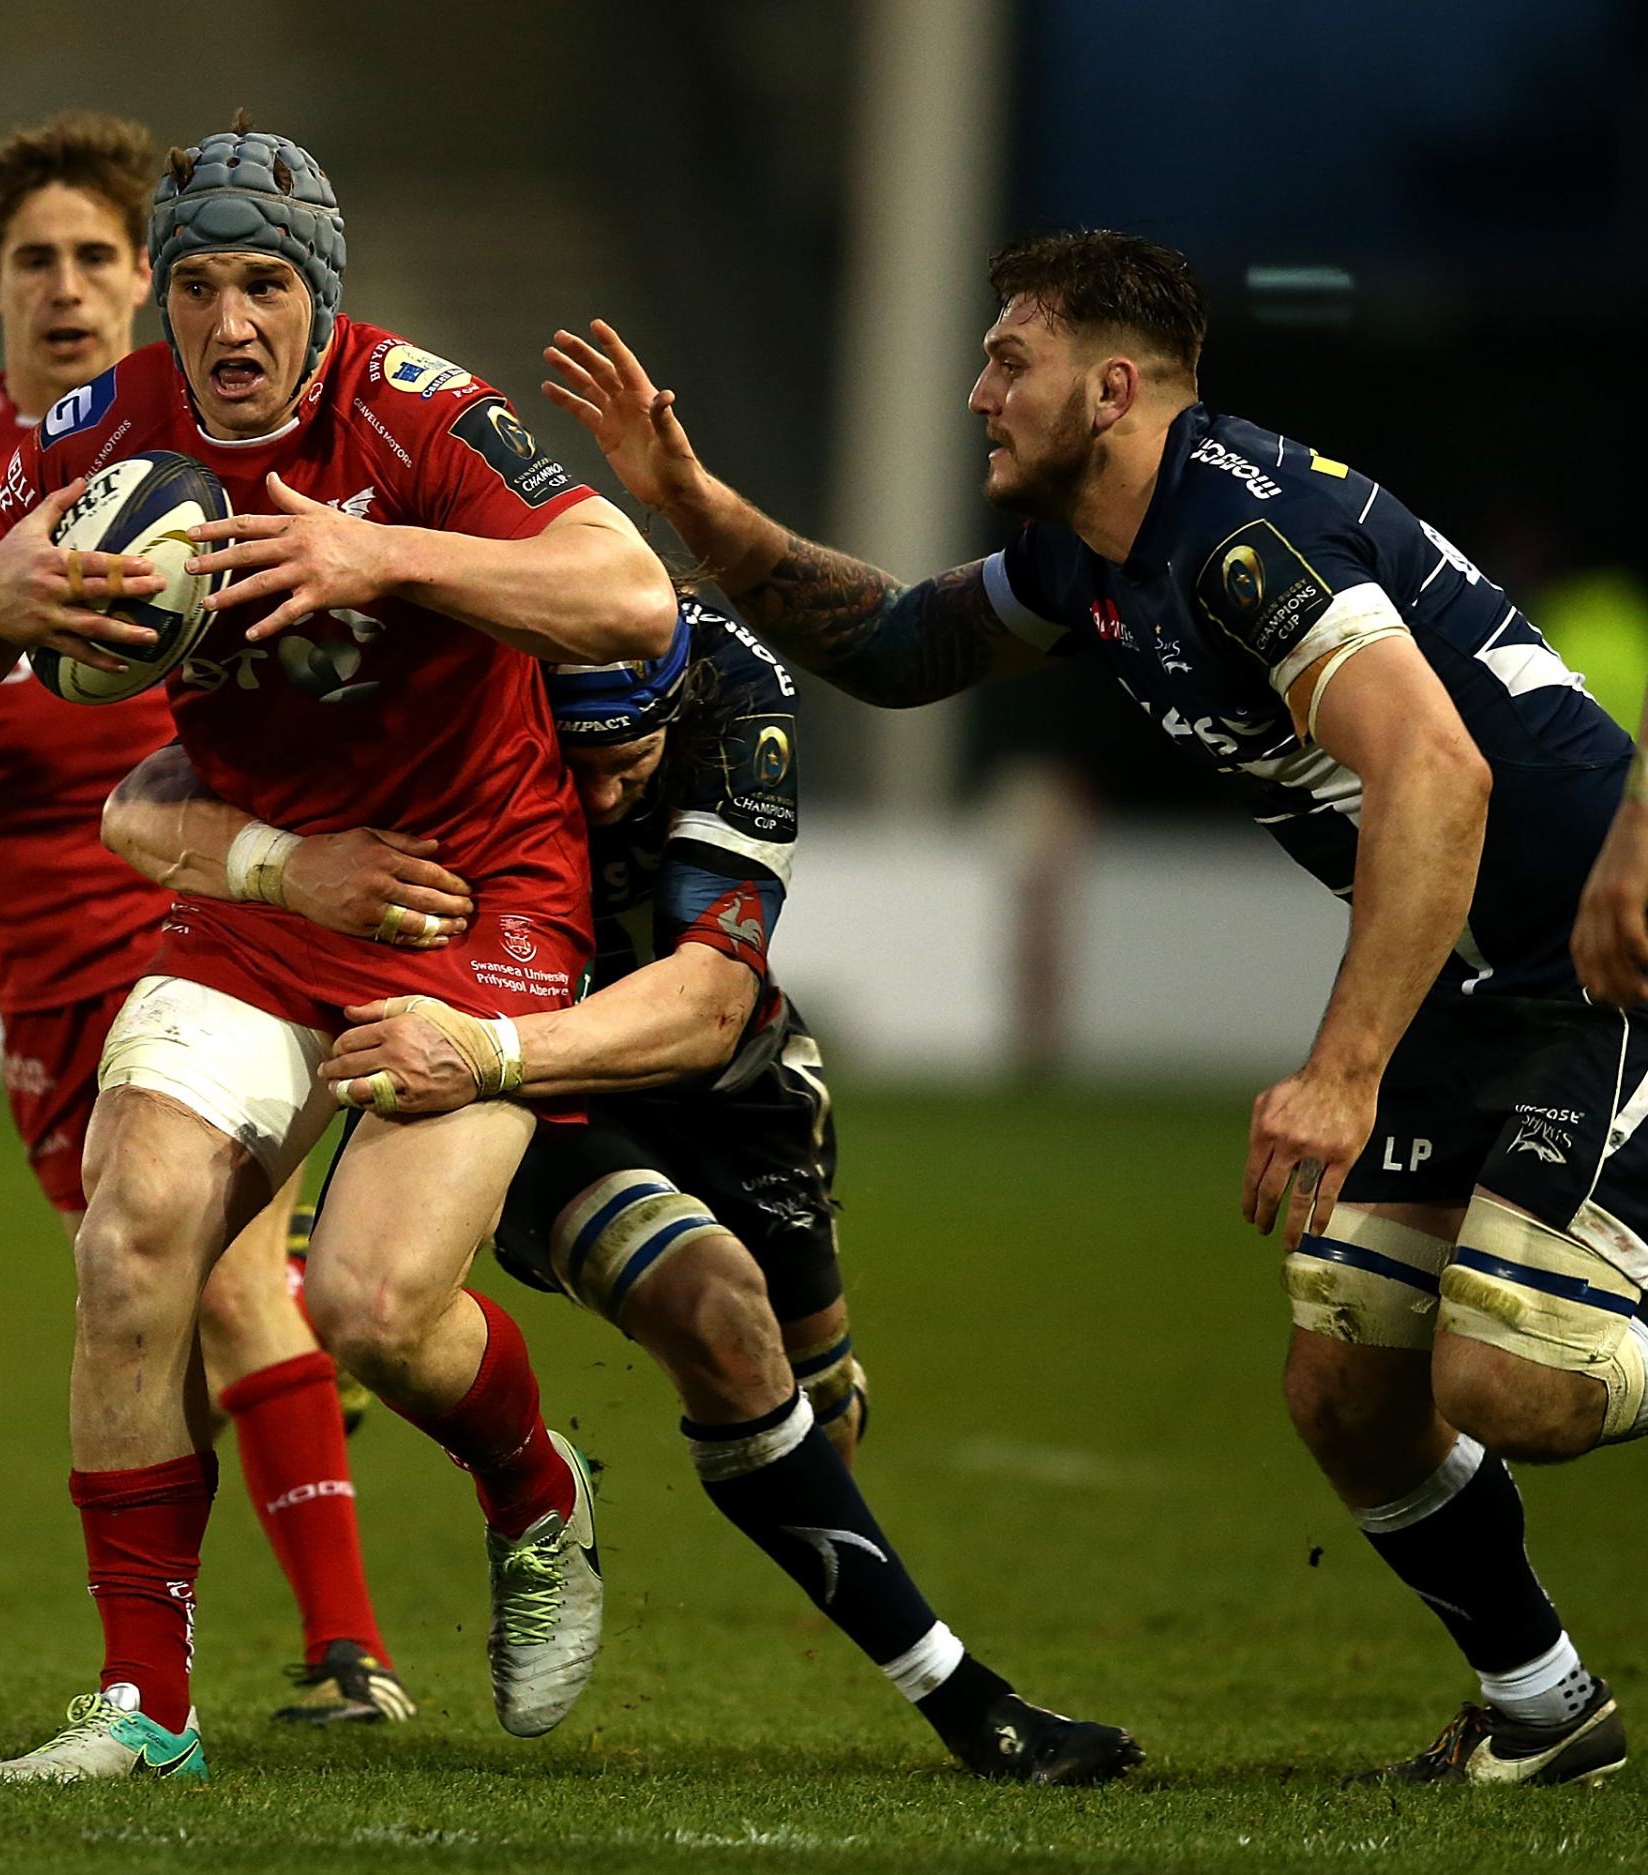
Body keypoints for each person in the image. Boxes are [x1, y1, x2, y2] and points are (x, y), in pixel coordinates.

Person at [539, 230, 1637, 1788]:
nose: (979, 391)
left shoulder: (1238, 534)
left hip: (1600, 958)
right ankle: (1545, 1702)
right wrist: (690, 502)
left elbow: (1440, 772)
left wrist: (1340, 1070)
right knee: (1347, 1385)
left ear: (1112, 388)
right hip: (1479, 982)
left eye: (1011, 361)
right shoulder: (1094, 552)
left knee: (1520, 1382)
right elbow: (903, 646)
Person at [0, 112, 675, 1781]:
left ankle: (538, 1487)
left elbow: (628, 594)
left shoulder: (412, 407)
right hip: (264, 898)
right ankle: (145, 1712)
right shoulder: (104, 430)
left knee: (373, 1306)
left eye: (265, 287)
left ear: (322, 297)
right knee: (133, 1243)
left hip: (476, 903)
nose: (229, 324)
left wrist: (371, 549)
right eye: (197, 286)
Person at [103, 590, 1146, 1784]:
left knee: (821, 1418)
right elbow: (145, 792)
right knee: (714, 1316)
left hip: (707, 1064)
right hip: (519, 1050)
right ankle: (976, 1710)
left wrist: (484, 1051)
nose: (600, 797)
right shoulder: (445, 672)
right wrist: (293, 874)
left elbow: (704, 1009)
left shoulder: (734, 692)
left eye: (628, 762)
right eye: (572, 765)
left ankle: (790, 1512)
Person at [0, 112, 409, 1733]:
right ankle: (305, 1577)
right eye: (38, 260)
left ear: (150, 276)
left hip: (215, 892)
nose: (70, 288)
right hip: (41, 939)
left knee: (211, 1268)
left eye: (100, 258)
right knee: (165, 1281)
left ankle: (330, 1657)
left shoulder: (210, 449)